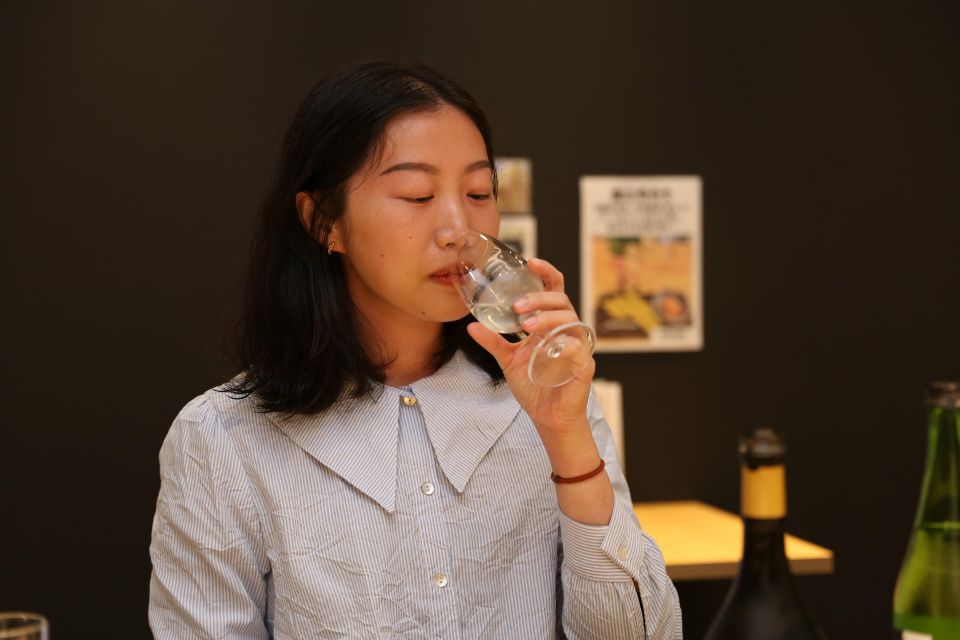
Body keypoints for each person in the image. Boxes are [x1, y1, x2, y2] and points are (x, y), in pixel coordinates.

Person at [148, 61, 682, 639]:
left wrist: (568, 439)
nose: (457, 226)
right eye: (417, 194)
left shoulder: (547, 400)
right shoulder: (222, 440)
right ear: (324, 221)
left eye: (479, 192)